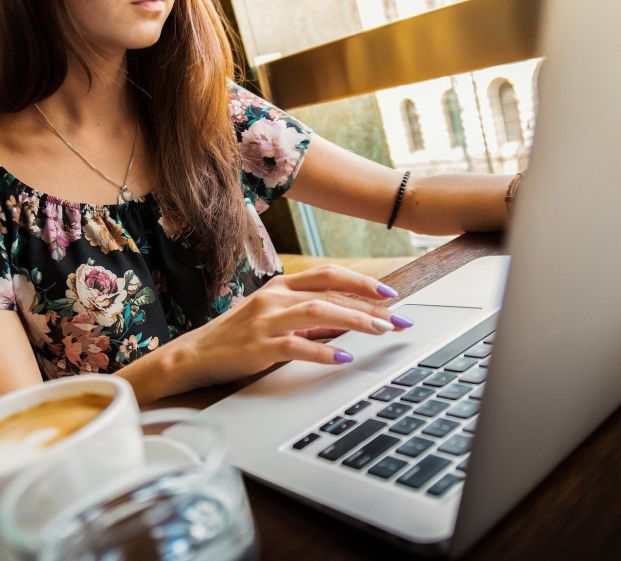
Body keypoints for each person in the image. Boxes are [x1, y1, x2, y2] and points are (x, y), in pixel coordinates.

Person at [0, 0, 513, 406]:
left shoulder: (204, 108)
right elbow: (22, 435)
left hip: (297, 415)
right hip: (144, 497)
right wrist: (189, 359)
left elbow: (407, 197)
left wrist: (546, 192)